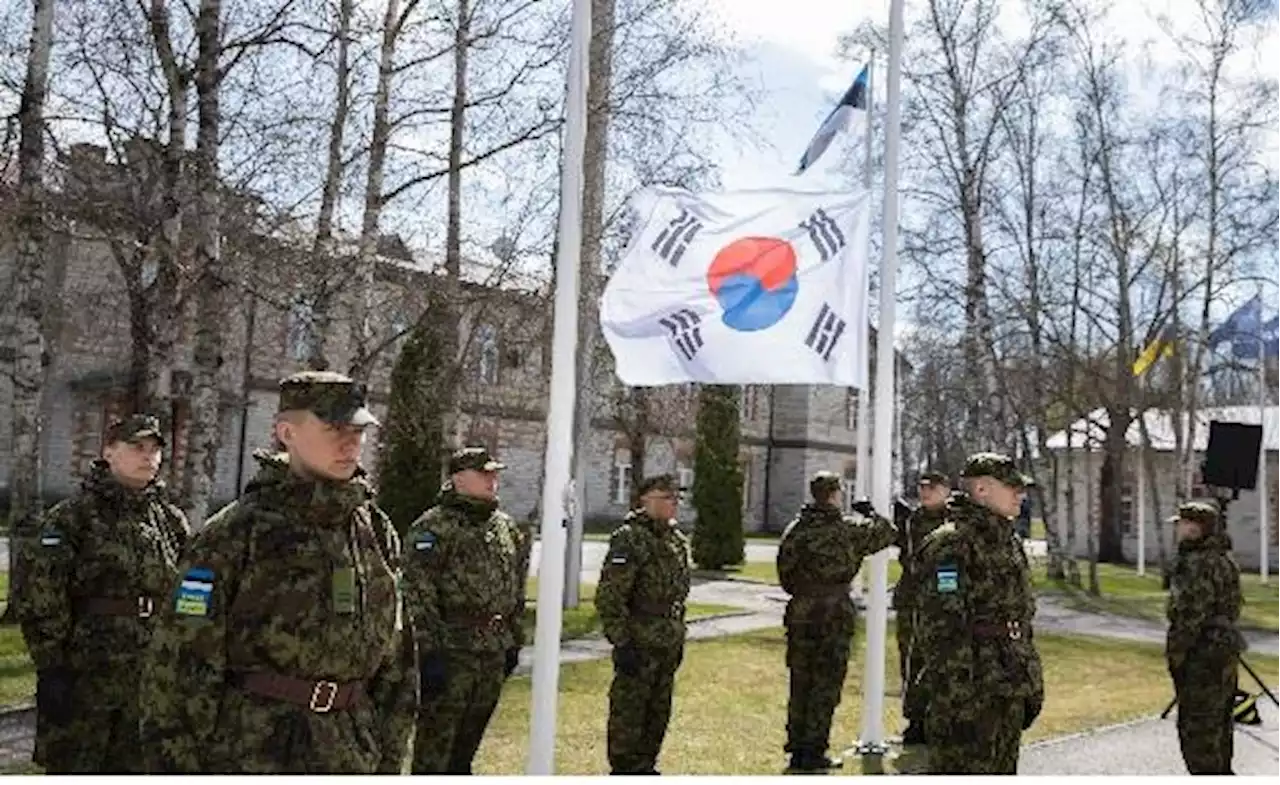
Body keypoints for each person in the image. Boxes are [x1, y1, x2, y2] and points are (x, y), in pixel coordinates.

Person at [139, 371, 417, 773]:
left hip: (351, 751)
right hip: (253, 751)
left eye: (358, 429)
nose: (350, 441)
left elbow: (399, 660)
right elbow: (180, 665)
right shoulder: (237, 531)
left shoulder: (374, 529)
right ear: (287, 432)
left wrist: (389, 758)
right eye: (333, 427)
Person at [11, 414, 190, 773]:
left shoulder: (170, 520)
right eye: (137, 447)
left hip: (151, 675)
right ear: (109, 452)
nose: (148, 457)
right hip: (88, 675)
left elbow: (190, 591)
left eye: (155, 449)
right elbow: (40, 592)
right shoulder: (73, 517)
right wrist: (53, 667)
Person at [404, 446, 532, 774]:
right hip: (452, 652)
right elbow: (417, 593)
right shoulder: (434, 526)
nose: (493, 480)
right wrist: (428, 653)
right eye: (484, 474)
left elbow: (516, 585)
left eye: (495, 474)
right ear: (459, 478)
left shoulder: (504, 526)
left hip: (492, 650)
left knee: (467, 747)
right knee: (436, 748)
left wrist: (514, 639)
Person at [914, 452, 1044, 774]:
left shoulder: (1008, 541)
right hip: (970, 694)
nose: (1020, 495)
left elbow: (1020, 618)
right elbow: (941, 626)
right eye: (1012, 487)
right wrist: (960, 696)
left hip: (1008, 684)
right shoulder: (952, 543)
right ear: (983, 489)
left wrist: (1031, 679)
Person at [776, 471, 897, 772]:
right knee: (826, 684)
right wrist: (870, 512)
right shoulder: (848, 529)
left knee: (801, 681)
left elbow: (785, 573)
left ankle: (797, 749)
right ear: (834, 495)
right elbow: (887, 532)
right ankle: (814, 751)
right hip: (834, 613)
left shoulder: (796, 530)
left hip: (802, 611)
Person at [596, 474, 692, 775]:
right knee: (630, 709)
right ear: (645, 500)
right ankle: (625, 769)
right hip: (639, 638)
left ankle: (647, 766)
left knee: (659, 708)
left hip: (668, 637)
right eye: (666, 497)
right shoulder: (630, 537)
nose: (673, 503)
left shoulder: (677, 539)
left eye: (676, 497)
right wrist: (621, 641)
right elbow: (611, 596)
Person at [1166, 501, 1244, 775]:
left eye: (1183, 524)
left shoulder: (1195, 563)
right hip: (1224, 650)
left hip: (1201, 655)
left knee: (1197, 728)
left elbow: (1189, 615)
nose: (1178, 529)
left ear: (1197, 528)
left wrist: (1176, 655)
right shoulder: (1225, 559)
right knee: (1220, 723)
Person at [892, 470, 950, 746]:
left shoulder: (953, 522)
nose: (925, 492)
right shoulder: (912, 520)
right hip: (911, 600)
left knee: (940, 662)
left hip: (940, 604)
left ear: (945, 491)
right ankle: (915, 722)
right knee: (910, 661)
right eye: (922, 488)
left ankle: (938, 721)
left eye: (932, 488)